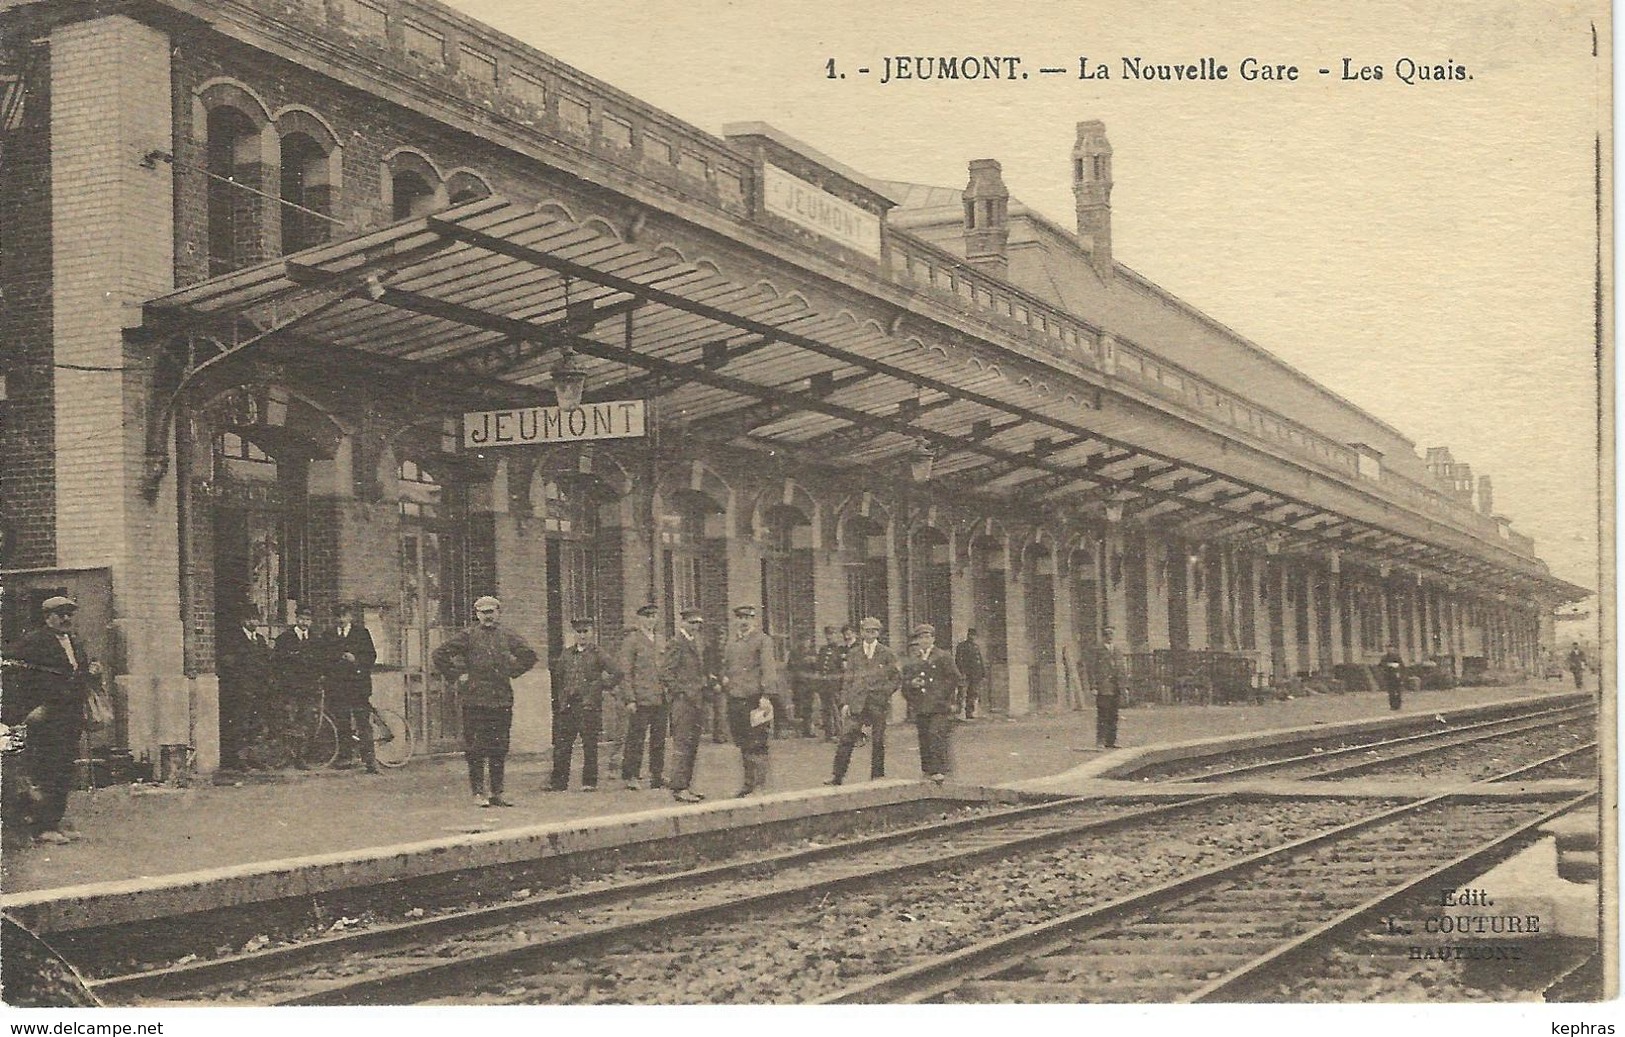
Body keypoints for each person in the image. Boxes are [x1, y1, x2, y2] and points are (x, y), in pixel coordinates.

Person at [2, 596, 100, 845]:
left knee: (64, 770)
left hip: (70, 716)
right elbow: (14, 674)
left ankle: (54, 822)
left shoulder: (75, 642)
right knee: (46, 770)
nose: (66, 619)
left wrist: (92, 672)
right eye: (60, 614)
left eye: (69, 614)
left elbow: (79, 675)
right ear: (47, 618)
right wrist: (29, 709)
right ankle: (40, 827)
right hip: (46, 716)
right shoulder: (34, 642)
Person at [433, 596, 540, 806]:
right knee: (475, 747)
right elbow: (439, 654)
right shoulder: (468, 636)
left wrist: (512, 672)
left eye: (491, 611)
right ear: (477, 615)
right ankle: (478, 793)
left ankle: (497, 792)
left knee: (499, 747)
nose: (488, 616)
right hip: (475, 700)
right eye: (483, 612)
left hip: (501, 700)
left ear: (498, 612)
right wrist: (457, 675)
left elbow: (529, 656)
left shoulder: (507, 635)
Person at [547, 616, 621, 792]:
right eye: (578, 632)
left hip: (588, 706)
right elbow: (558, 676)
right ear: (574, 634)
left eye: (585, 631)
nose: (582, 635)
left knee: (589, 744)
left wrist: (601, 686)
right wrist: (562, 696)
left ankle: (589, 782)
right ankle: (559, 782)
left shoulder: (598, 653)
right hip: (568, 706)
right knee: (562, 745)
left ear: (592, 633)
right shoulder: (567, 654)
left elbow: (617, 672)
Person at [825, 616, 899, 785]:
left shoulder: (886, 653)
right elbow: (847, 679)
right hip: (857, 702)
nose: (870, 634)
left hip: (878, 703)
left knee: (878, 740)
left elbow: (896, 678)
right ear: (861, 633)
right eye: (867, 631)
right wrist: (844, 703)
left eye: (874, 631)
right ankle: (837, 776)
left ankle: (877, 776)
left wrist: (885, 692)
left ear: (878, 633)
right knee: (846, 738)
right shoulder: (854, 653)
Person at [721, 604, 778, 797]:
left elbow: (768, 669)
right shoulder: (731, 643)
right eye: (740, 618)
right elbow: (726, 667)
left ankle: (760, 786)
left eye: (748, 618)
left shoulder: (762, 641)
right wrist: (725, 680)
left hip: (756, 700)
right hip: (736, 699)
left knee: (758, 742)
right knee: (743, 742)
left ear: (753, 620)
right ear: (735, 620)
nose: (744, 622)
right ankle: (748, 783)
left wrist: (766, 696)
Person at [901, 623, 962, 782]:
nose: (924, 640)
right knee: (924, 737)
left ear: (933, 638)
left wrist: (941, 694)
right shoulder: (914, 660)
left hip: (939, 705)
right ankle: (927, 770)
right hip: (922, 705)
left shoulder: (943, 656)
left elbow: (954, 677)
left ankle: (939, 770)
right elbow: (905, 683)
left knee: (935, 734)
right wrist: (912, 685)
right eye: (921, 637)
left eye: (927, 637)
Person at [662, 608, 711, 803]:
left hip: (696, 701)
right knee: (682, 744)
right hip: (683, 703)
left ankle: (687, 785)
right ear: (682, 623)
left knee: (692, 744)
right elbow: (665, 672)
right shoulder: (676, 643)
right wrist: (680, 692)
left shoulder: (695, 642)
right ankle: (678, 787)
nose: (695, 627)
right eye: (691, 623)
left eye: (698, 624)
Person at [217, 607, 273, 770]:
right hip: (241, 691)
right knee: (239, 724)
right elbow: (229, 664)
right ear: (243, 620)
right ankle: (238, 758)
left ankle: (252, 756)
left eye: (256, 618)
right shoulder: (233, 639)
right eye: (249, 618)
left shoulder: (261, 640)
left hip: (258, 691)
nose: (253, 622)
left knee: (255, 724)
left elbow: (266, 663)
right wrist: (241, 683)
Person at [327, 603, 379, 772]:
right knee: (342, 723)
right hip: (338, 686)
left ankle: (370, 760)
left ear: (350, 617)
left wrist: (355, 660)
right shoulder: (328, 635)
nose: (341, 619)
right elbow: (322, 656)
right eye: (338, 616)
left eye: (344, 616)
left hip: (358, 685)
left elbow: (371, 655)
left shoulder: (361, 633)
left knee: (363, 722)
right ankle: (345, 757)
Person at [620, 604, 666, 790]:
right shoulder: (632, 640)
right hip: (640, 698)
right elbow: (625, 672)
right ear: (639, 619)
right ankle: (631, 775)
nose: (651, 620)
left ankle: (657, 775)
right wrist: (629, 698)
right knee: (636, 738)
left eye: (654, 616)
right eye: (647, 616)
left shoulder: (661, 640)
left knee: (659, 738)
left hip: (661, 697)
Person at [273, 606, 323, 767]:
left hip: (308, 689)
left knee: (305, 722)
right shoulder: (284, 639)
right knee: (289, 723)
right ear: (296, 619)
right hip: (290, 689)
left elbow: (320, 664)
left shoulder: (316, 640)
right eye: (302, 618)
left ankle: (300, 757)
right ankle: (287, 756)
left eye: (308, 619)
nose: (304, 622)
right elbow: (278, 663)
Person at [813, 625, 847, 741]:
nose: (829, 637)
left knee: (835, 709)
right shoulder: (823, 650)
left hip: (834, 685)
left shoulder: (840, 650)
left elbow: (842, 669)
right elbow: (819, 666)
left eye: (832, 634)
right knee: (825, 709)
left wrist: (841, 685)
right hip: (824, 684)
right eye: (828, 634)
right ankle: (829, 733)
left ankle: (839, 733)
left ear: (837, 636)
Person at [1096, 625, 1126, 749]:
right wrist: (1094, 686)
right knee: (1103, 714)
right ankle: (1101, 741)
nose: (1109, 637)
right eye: (1107, 634)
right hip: (1104, 687)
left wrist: (1123, 686)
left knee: (1114, 715)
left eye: (1111, 634)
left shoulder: (1117, 650)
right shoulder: (1098, 650)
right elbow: (1093, 669)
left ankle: (1111, 741)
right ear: (1103, 636)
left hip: (1115, 687)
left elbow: (1121, 669)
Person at [788, 632, 820, 738]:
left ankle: (808, 730)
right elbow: (790, 667)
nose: (806, 643)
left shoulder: (812, 652)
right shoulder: (794, 653)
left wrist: (814, 661)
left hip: (809, 684)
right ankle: (799, 730)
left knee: (808, 707)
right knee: (799, 706)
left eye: (808, 641)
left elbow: (817, 668)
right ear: (800, 641)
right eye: (804, 640)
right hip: (799, 683)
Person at [954, 629, 986, 720]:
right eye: (971, 635)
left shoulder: (976, 647)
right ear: (968, 635)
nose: (973, 637)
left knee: (973, 693)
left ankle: (969, 712)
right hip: (966, 673)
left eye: (974, 635)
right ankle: (959, 712)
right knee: (962, 693)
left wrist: (983, 673)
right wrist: (962, 672)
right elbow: (958, 660)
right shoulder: (962, 646)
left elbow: (980, 661)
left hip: (975, 674)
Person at [1379, 643, 1406, 711]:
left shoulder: (1397, 657)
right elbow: (1381, 666)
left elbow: (1402, 667)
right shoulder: (1384, 658)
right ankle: (1392, 705)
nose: (1389, 649)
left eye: (1390, 648)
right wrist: (1384, 670)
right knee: (1391, 692)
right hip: (1389, 676)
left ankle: (1398, 705)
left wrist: (1401, 677)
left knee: (1397, 691)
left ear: (1393, 649)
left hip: (1396, 676)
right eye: (1387, 648)